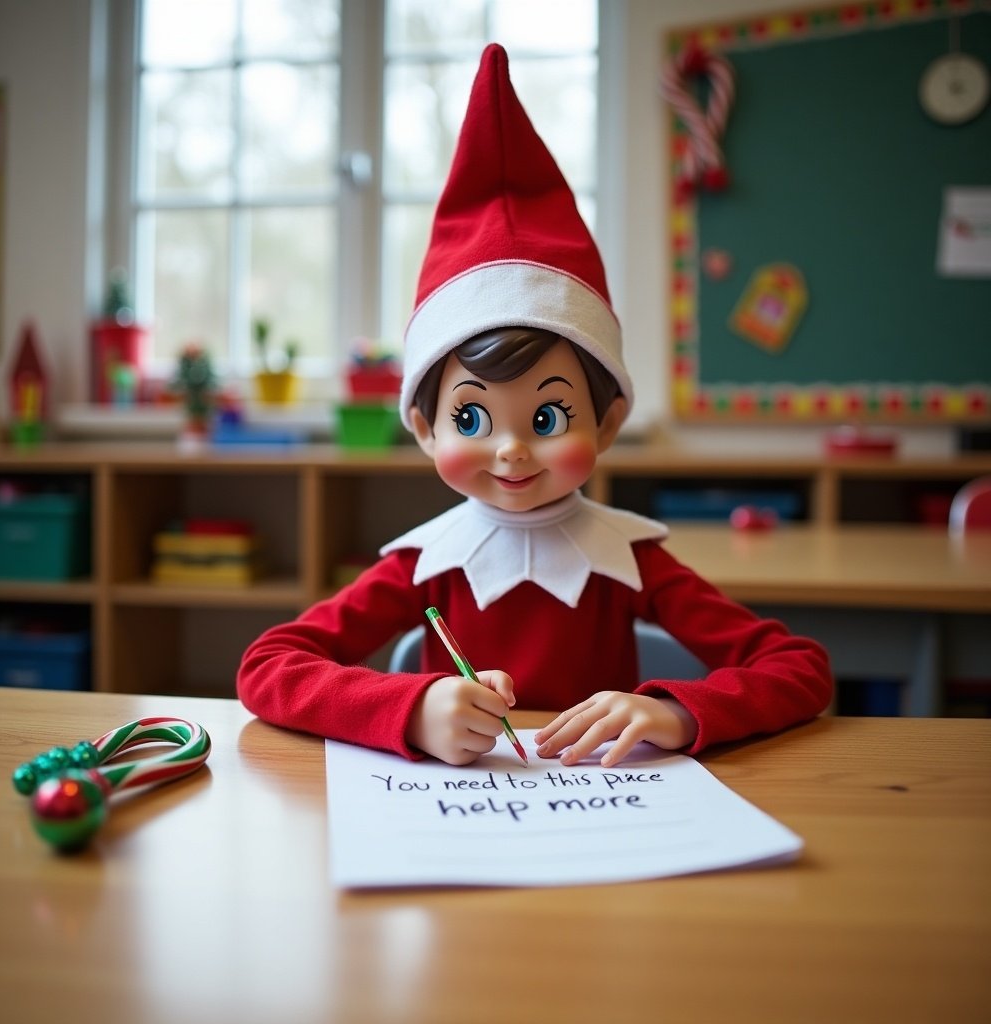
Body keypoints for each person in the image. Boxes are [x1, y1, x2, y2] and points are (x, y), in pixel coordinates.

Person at [237, 44, 832, 768]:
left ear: (608, 423)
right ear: (423, 429)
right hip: (452, 834)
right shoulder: (427, 565)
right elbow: (267, 666)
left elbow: (799, 668)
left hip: (604, 823)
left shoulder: (632, 560)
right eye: (471, 420)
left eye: (547, 419)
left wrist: (676, 711)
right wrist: (411, 707)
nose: (512, 449)